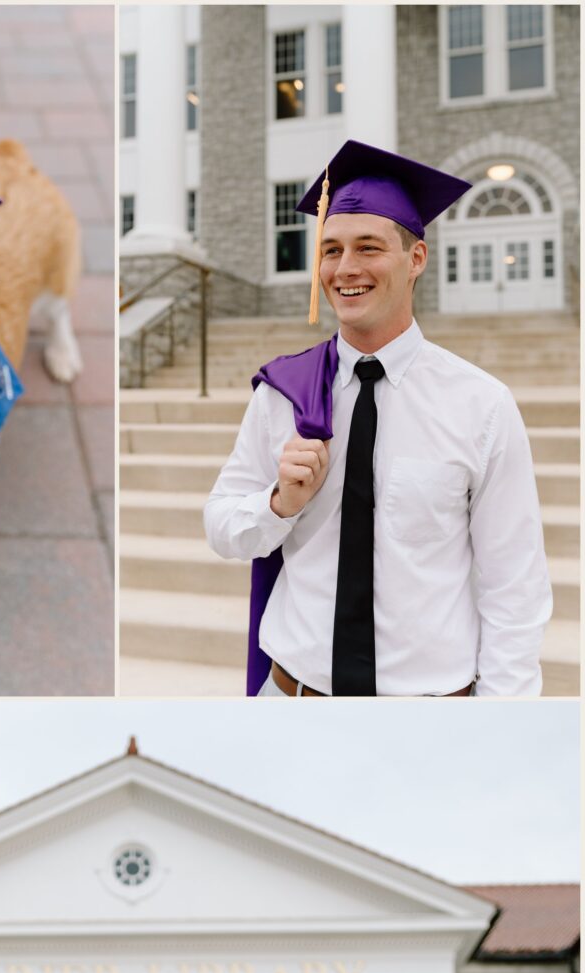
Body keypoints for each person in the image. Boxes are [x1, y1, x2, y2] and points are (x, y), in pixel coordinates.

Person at [203, 138, 552, 699]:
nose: (345, 269)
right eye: (331, 249)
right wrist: (277, 504)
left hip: (428, 718)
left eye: (369, 247)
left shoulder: (481, 406)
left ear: (416, 259)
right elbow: (222, 528)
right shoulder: (284, 394)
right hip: (291, 700)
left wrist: (501, 721)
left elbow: (515, 585)